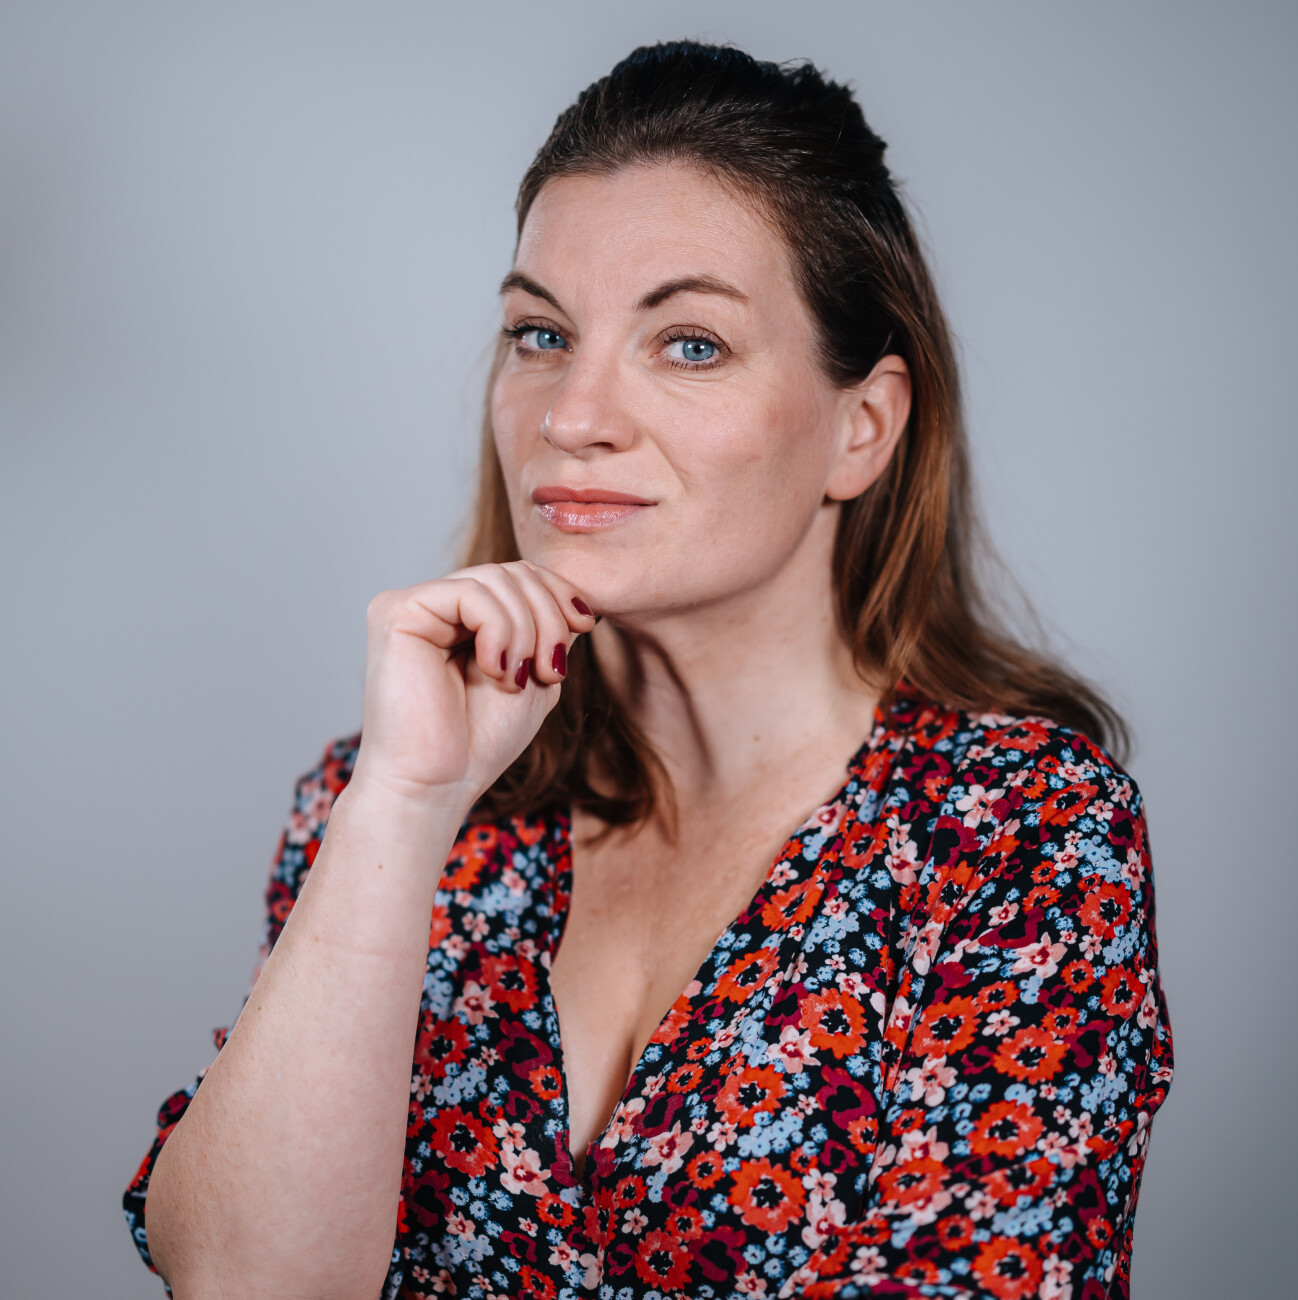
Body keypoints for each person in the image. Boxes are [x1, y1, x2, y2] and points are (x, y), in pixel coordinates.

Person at [124, 41, 1172, 1300]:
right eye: (539, 333)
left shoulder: (1017, 831)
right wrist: (403, 805)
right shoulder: (388, 803)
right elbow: (239, 1283)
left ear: (862, 428)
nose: (571, 415)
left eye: (688, 344)